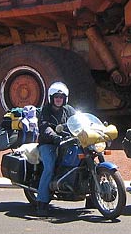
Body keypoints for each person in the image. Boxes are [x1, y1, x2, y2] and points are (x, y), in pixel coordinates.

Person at [35, 81, 77, 216]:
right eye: (56, 97)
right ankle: (41, 202)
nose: (59, 99)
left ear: (65, 98)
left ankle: (93, 196)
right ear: (51, 98)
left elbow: (78, 121)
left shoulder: (69, 110)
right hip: (48, 143)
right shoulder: (45, 110)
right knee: (49, 166)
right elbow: (45, 127)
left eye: (61, 97)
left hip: (67, 141)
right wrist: (54, 137)